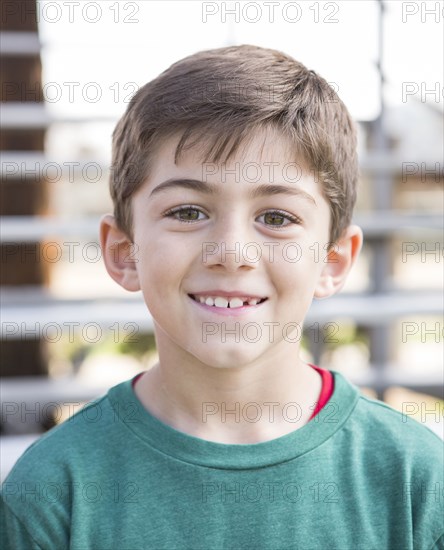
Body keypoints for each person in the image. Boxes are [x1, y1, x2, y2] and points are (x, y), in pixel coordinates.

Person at [1, 44, 443, 550]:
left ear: (333, 260)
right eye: (188, 211)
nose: (231, 253)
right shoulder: (54, 491)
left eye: (276, 217)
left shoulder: (416, 481)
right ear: (124, 252)